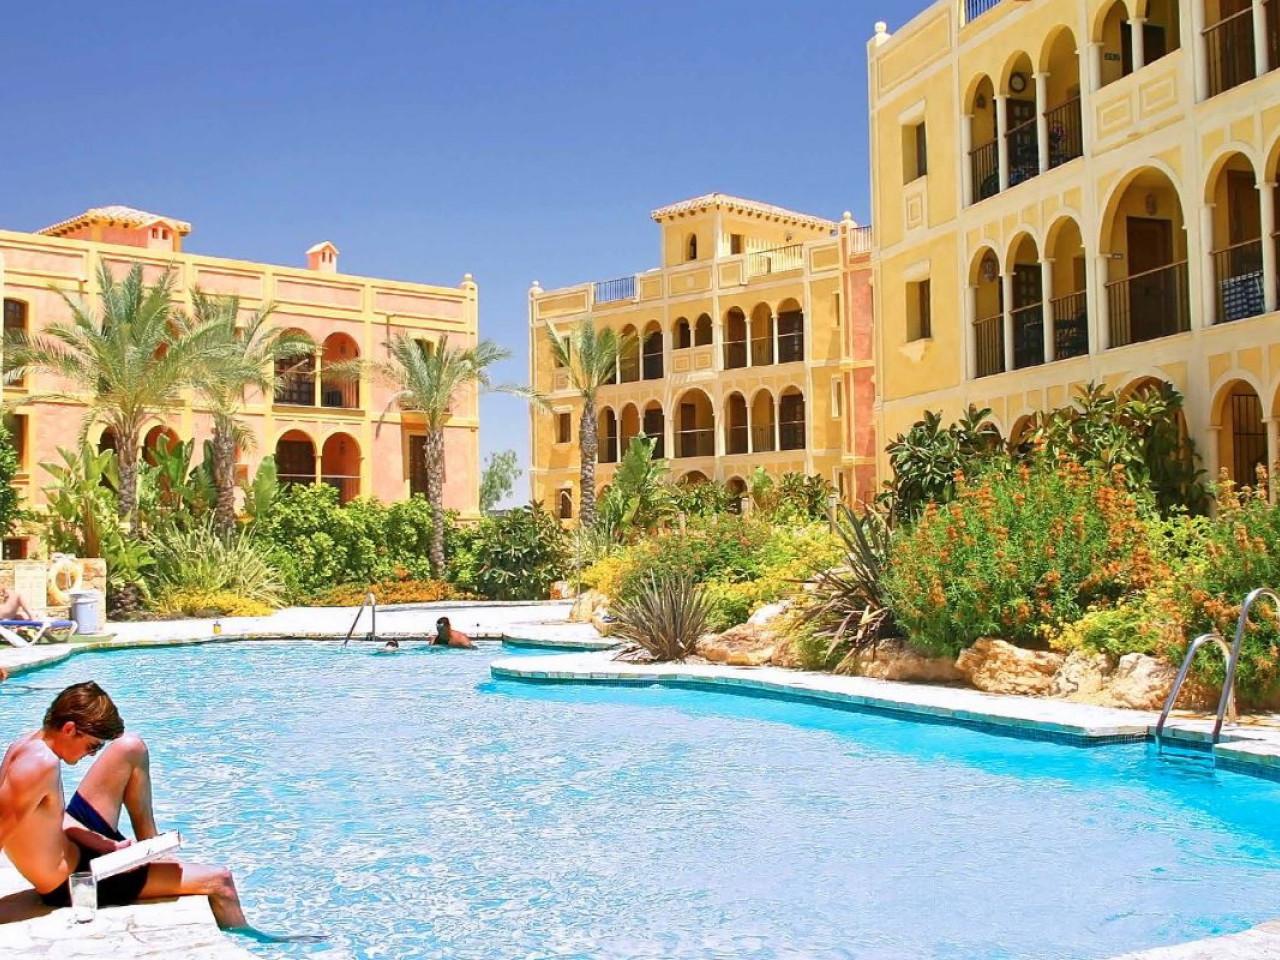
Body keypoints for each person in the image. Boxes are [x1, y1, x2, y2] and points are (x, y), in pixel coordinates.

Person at [0, 681, 246, 927]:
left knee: (131, 747)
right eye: (92, 746)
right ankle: (248, 937)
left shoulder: (27, 744)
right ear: (69, 729)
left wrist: (106, 844)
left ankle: (154, 852)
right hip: (75, 882)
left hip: (79, 851)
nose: (92, 754)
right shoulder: (40, 764)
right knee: (220, 881)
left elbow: (51, 816)